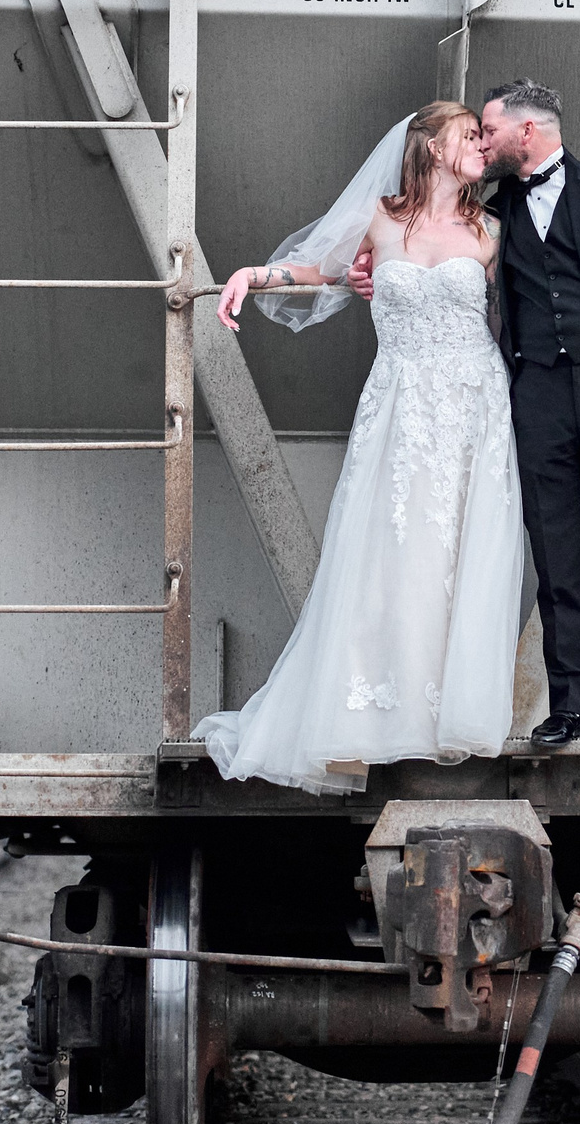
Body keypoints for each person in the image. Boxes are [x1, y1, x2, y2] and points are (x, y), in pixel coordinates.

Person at [192, 102, 520, 794]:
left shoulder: (491, 230)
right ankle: (377, 716)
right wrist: (254, 275)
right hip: (399, 405)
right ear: (430, 147)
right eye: (469, 137)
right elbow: (318, 268)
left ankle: (452, 716)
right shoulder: (379, 217)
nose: (482, 149)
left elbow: (509, 320)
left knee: (464, 553)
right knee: (391, 558)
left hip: (472, 409)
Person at [365, 80, 580, 750]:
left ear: (527, 131)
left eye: (489, 129)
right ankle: (569, 705)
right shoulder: (494, 208)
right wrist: (369, 266)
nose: (482, 140)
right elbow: (427, 235)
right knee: (556, 561)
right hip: (537, 400)